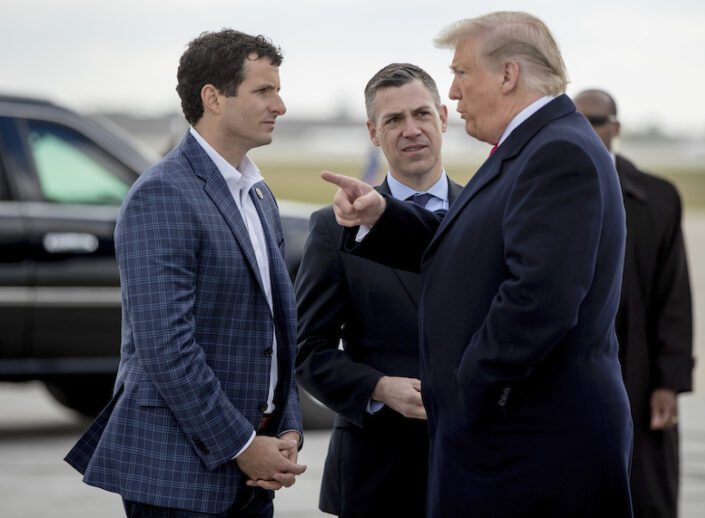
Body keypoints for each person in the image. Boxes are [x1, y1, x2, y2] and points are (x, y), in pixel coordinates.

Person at [321, 11, 633, 518]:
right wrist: (383, 217)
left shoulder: (557, 153)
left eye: (462, 73)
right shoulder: (533, 145)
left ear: (508, 75)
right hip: (515, 440)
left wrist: (464, 392)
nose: (454, 92)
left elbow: (539, 299)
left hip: (531, 443)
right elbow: (468, 248)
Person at [64, 29, 306, 517]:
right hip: (178, 475)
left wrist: (287, 427)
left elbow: (275, 332)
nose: (279, 105)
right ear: (213, 98)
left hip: (254, 470)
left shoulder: (258, 194)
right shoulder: (163, 194)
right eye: (263, 90)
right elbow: (166, 348)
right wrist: (242, 445)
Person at [294, 63, 462, 518]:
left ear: (443, 118)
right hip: (377, 474)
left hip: (476, 467)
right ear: (373, 132)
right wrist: (379, 388)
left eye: (421, 114)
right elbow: (308, 350)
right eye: (393, 120)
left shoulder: (488, 213)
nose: (411, 130)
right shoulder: (334, 228)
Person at [574, 88, 694, 518]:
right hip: (572, 373)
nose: (587, 129)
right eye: (577, 119)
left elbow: (674, 295)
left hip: (639, 371)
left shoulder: (656, 197)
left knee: (646, 491)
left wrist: (670, 382)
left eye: (597, 120)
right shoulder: (547, 192)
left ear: (616, 128)